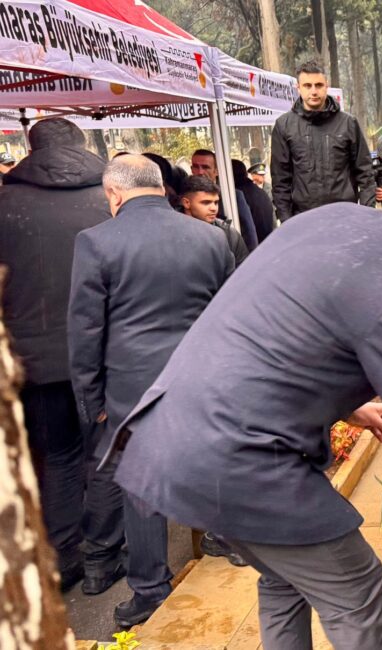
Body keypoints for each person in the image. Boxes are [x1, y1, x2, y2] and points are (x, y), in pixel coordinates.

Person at [104, 167, 382, 648]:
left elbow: (284, 327)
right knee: (355, 586)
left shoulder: (334, 219)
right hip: (236, 458)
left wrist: (348, 408)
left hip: (171, 430)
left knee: (287, 576)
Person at [68, 154, 235, 627]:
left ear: (113, 194)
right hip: (201, 378)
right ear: (162, 188)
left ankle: (150, 589)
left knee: (139, 487)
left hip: (131, 388)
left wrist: (91, 401)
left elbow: (84, 331)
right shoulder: (211, 237)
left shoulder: (96, 242)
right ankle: (225, 539)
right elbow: (229, 315)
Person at [0, 118, 118, 595]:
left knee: (58, 456)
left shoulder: (5, 204)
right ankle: (103, 555)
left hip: (33, 357)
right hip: (102, 350)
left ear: (31, 147)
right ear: (82, 144)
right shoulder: (108, 199)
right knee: (103, 451)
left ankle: (64, 555)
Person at [270, 60, 374, 221]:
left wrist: (367, 215)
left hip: (345, 218)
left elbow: (365, 173)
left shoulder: (347, 124)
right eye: (307, 85)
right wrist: (286, 222)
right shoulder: (284, 126)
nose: (313, 91)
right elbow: (280, 181)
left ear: (326, 86)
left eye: (318, 85)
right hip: (305, 220)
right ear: (298, 88)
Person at [191, 149, 259, 250]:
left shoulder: (232, 196)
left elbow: (250, 235)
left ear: (216, 171)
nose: (200, 172)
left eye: (206, 167)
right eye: (196, 167)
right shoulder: (185, 196)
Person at [180, 175, 250, 267]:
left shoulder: (229, 234)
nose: (213, 208)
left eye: (216, 202)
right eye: (206, 202)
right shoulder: (173, 232)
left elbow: (243, 271)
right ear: (186, 203)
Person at [233, 159, 276, 243]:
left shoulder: (239, 194)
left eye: (262, 175)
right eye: (259, 175)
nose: (262, 177)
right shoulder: (260, 192)